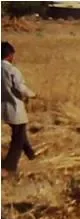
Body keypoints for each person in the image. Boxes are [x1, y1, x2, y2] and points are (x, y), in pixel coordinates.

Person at [1, 41, 37, 175]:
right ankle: (8, 168)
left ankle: (31, 155)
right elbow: (20, 87)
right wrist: (33, 95)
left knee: (19, 132)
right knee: (18, 139)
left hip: (3, 109)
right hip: (15, 108)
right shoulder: (11, 70)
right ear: (10, 55)